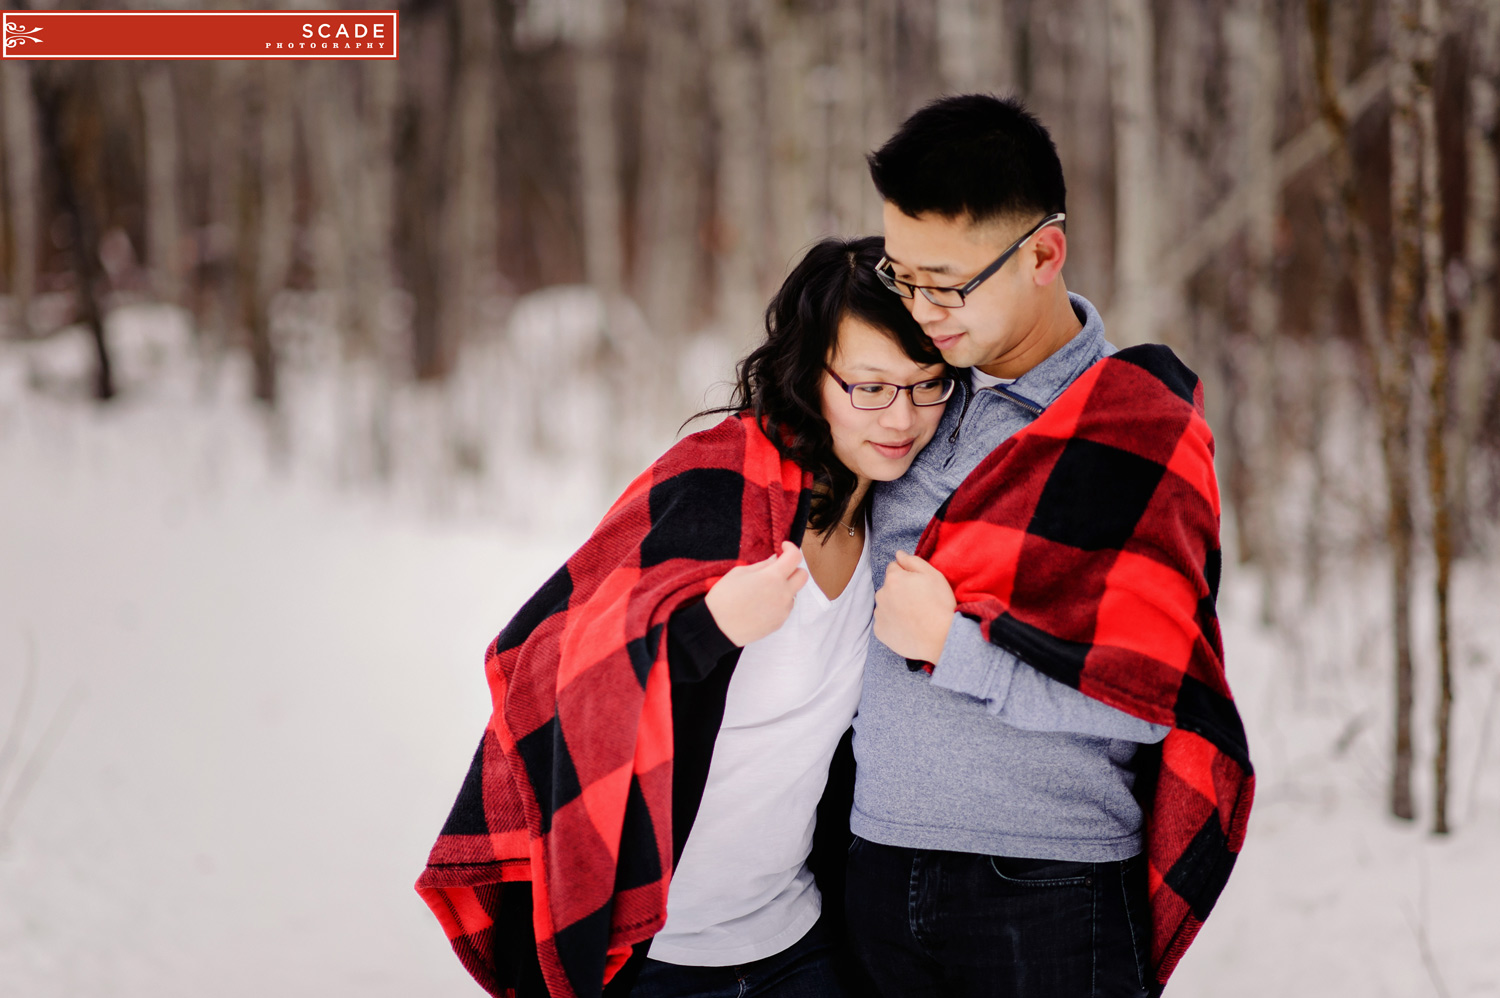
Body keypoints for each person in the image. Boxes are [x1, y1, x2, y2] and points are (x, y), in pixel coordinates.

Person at [416, 236, 953, 998]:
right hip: (653, 954)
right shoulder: (715, 484)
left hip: (797, 944)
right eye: (869, 387)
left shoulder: (907, 521)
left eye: (925, 384)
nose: (900, 417)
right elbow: (545, 663)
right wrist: (708, 629)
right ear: (812, 375)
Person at [846, 94, 1254, 998]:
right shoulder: (905, 401)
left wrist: (958, 652)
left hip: (1044, 887)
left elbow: (1147, 703)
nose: (922, 308)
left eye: (946, 283)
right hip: (874, 862)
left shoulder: (1132, 429)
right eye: (902, 275)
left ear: (1042, 253)